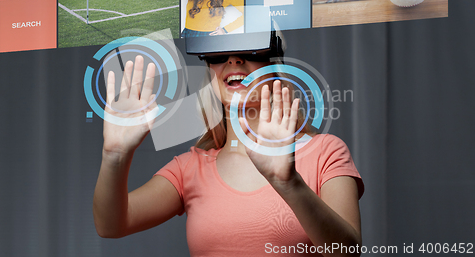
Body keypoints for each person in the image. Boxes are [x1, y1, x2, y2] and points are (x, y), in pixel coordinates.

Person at [93, 39, 365, 255]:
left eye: (251, 49)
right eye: (218, 55)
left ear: (275, 65)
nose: (234, 60)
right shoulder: (190, 167)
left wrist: (288, 183)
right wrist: (114, 156)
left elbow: (347, 252)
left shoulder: (325, 151)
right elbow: (111, 225)